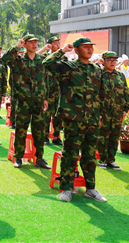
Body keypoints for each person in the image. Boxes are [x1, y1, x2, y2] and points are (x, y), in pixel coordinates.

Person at [43, 37, 107, 203]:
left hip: (92, 118)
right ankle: (66, 188)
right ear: (77, 50)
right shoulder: (67, 67)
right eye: (85, 47)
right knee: (70, 154)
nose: (89, 50)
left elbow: (100, 94)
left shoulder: (96, 69)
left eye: (90, 47)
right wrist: (63, 50)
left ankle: (91, 188)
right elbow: (47, 63)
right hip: (74, 118)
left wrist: (100, 115)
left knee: (90, 155)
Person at [2, 35, 51, 169]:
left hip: (39, 101)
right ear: (25, 44)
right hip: (23, 100)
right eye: (31, 42)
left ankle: (40, 158)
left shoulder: (42, 60)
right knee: (21, 129)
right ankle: (18, 157)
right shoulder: (18, 60)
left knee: (39, 130)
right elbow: (4, 59)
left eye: (36, 42)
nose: (34, 44)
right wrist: (17, 46)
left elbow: (45, 80)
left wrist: (46, 98)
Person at [97, 51, 129, 171]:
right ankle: (102, 160)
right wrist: (98, 114)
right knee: (102, 136)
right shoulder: (99, 74)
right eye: (109, 60)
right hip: (103, 112)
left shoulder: (120, 75)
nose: (112, 62)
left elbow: (126, 93)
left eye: (114, 60)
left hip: (117, 112)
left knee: (114, 136)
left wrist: (125, 109)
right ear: (103, 61)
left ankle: (111, 160)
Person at [39, 36, 64, 146]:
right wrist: (45, 48)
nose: (58, 45)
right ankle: (44, 137)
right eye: (55, 43)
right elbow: (35, 57)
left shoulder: (63, 58)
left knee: (58, 115)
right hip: (47, 90)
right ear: (50, 45)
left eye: (58, 43)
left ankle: (56, 136)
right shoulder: (45, 56)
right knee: (46, 115)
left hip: (59, 90)